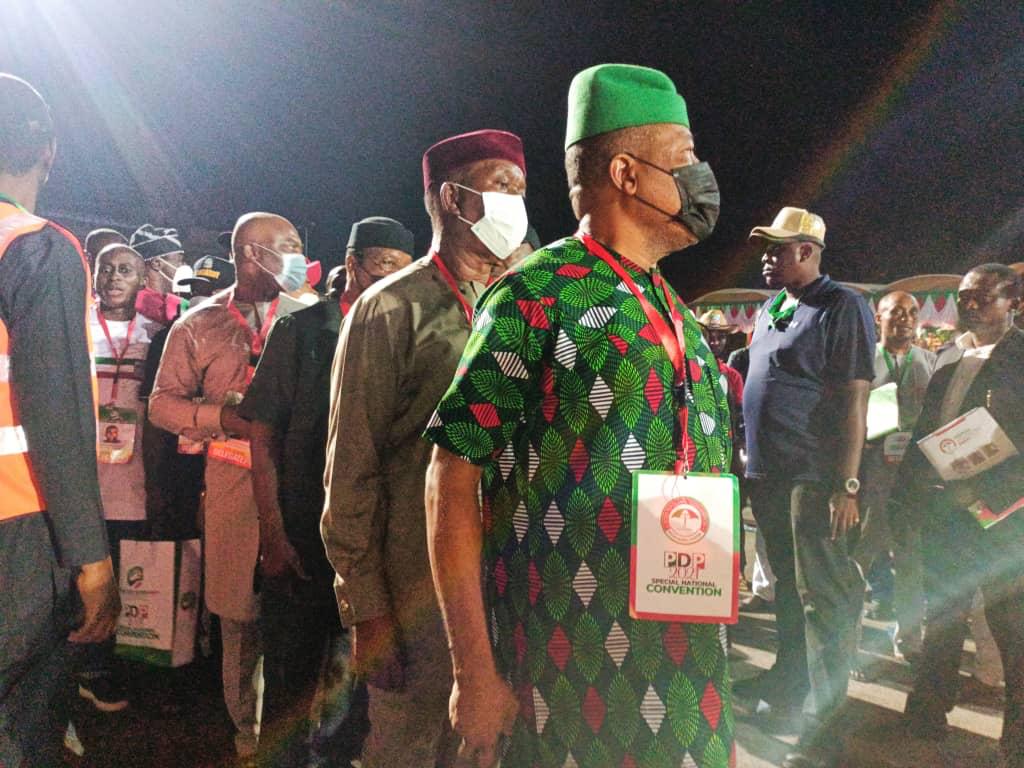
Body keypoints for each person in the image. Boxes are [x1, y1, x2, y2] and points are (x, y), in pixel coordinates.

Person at [423, 63, 734, 767]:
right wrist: (474, 671)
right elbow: (450, 479)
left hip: (683, 664)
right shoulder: (535, 295)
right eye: (684, 160)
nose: (701, 178)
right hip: (569, 672)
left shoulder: (671, 308)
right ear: (626, 172)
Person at [321, 129, 528, 768]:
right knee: (413, 745)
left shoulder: (527, 301)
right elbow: (350, 468)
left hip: (513, 581)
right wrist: (366, 610)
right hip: (417, 592)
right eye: (501, 187)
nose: (515, 205)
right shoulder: (390, 309)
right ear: (452, 197)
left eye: (521, 190)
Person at [240, 215, 412, 767]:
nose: (395, 280)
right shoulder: (302, 331)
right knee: (289, 691)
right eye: (385, 266)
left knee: (353, 699)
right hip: (300, 543)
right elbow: (261, 439)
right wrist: (272, 533)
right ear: (354, 263)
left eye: (404, 271)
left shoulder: (403, 334)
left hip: (366, 552)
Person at [0, 72, 119, 767]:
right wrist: (90, 556)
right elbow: (58, 415)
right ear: (49, 152)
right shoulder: (34, 247)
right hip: (19, 531)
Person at [149, 212, 297, 763]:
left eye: (297, 244)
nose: (296, 255)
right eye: (284, 246)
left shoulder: (312, 316)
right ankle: (249, 739)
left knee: (303, 614)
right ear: (246, 254)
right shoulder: (199, 323)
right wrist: (220, 418)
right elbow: (161, 406)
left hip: (302, 488)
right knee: (239, 618)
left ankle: (304, 735)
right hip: (233, 490)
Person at [739, 206, 874, 768]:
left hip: (812, 479)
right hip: (767, 476)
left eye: (777, 248)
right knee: (788, 597)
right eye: (765, 247)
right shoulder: (775, 305)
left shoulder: (843, 305)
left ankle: (825, 733)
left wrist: (846, 483)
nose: (767, 257)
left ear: (808, 251)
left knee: (824, 601)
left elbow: (854, 400)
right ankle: (789, 688)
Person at [893, 264, 1024, 767]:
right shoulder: (948, 364)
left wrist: (987, 489)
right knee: (942, 617)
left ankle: (1015, 741)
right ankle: (927, 710)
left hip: (1003, 518)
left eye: (982, 297)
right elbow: (926, 441)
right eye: (963, 297)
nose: (969, 305)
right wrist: (904, 500)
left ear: (1012, 301)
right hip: (944, 514)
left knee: (1010, 628)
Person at [76, 244, 155, 713]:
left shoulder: (156, 331)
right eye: (105, 269)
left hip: (136, 481)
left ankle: (119, 667)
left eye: (125, 269)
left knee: (130, 583)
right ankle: (86, 669)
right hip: (86, 483)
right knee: (85, 583)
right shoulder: (79, 323)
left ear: (142, 279)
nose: (113, 277)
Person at [852, 291, 934, 667]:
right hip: (870, 476)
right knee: (858, 558)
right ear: (878, 317)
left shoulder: (930, 362)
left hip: (912, 481)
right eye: (896, 312)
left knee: (912, 561)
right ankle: (848, 638)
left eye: (912, 312)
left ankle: (911, 637)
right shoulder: (861, 360)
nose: (905, 319)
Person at [139, 254, 235, 540]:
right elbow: (153, 417)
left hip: (225, 468)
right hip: (176, 473)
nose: (200, 298)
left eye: (210, 291)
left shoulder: (243, 340)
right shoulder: (168, 337)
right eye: (195, 290)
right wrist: (154, 486)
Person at [335, 216, 419, 314]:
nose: (399, 276)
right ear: (351, 264)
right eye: (388, 263)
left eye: (406, 270)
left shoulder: (408, 324)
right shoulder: (318, 321)